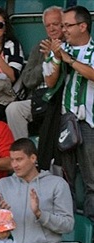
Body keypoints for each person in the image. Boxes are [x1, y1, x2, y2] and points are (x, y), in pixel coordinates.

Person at [47, 6, 94, 222]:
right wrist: (57, 59)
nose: (63, 29)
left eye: (67, 25)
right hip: (66, 121)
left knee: (92, 179)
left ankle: (91, 231)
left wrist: (69, 60)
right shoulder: (59, 49)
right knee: (65, 179)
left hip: (89, 122)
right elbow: (49, 81)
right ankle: (69, 225)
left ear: (82, 26)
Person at [5, 6, 63, 142]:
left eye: (55, 24)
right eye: (48, 25)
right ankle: (22, 154)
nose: (52, 29)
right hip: (40, 98)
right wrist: (45, 61)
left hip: (61, 98)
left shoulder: (71, 45)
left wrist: (56, 58)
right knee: (13, 109)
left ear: (64, 23)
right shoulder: (39, 47)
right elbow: (28, 81)